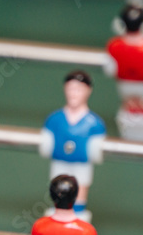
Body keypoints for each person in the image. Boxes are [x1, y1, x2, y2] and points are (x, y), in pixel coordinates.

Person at [38, 71, 106, 219]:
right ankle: (58, 216)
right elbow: (46, 143)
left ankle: (78, 216)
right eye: (70, 89)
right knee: (58, 189)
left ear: (88, 91)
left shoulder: (94, 123)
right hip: (60, 162)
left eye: (78, 89)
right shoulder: (54, 119)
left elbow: (98, 150)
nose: (73, 94)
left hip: (81, 165)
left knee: (80, 191)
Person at [104, 3, 143, 142]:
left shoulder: (114, 47)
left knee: (132, 105)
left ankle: (132, 135)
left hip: (125, 86)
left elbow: (109, 69)